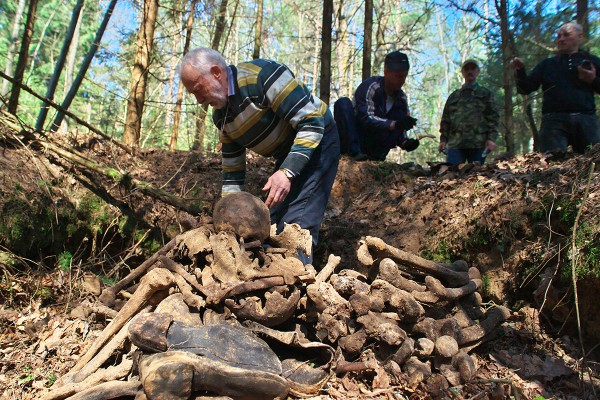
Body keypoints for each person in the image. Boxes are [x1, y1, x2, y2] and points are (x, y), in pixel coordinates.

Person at [179, 48, 340, 262]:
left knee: (297, 223)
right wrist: (225, 213)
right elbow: (233, 168)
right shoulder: (222, 115)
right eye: (194, 94)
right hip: (286, 153)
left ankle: (301, 282)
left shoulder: (263, 77)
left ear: (217, 72)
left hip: (319, 139)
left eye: (199, 89)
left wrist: (286, 172)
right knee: (271, 224)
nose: (199, 100)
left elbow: (312, 122)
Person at [510, 22, 600, 153]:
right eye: (558, 36)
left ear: (580, 36)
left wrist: (592, 80)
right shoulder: (547, 65)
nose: (561, 39)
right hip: (553, 122)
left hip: (586, 119)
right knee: (551, 166)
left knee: (592, 163)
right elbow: (525, 88)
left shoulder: (592, 61)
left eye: (566, 35)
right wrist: (520, 71)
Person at [333, 50, 419, 161]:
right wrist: (393, 124)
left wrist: (405, 142)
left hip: (376, 147)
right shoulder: (371, 87)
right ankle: (353, 153)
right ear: (386, 72)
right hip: (359, 137)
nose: (402, 80)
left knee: (401, 115)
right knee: (343, 103)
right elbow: (366, 118)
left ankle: (377, 157)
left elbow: (399, 128)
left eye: (404, 76)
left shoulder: (401, 99)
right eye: (398, 76)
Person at [438, 59, 499, 165]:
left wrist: (491, 139)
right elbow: (446, 120)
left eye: (473, 69)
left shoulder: (485, 94)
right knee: (451, 175)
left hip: (478, 143)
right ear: (462, 72)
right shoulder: (454, 97)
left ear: (478, 71)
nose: (469, 71)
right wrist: (443, 140)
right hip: (456, 144)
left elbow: (493, 117)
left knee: (476, 176)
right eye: (466, 69)